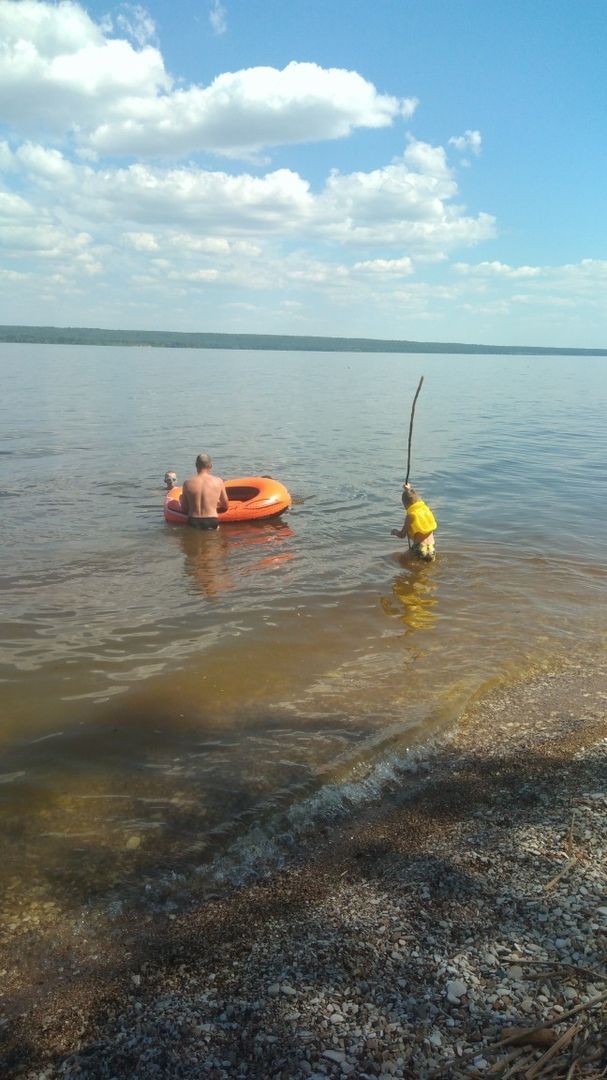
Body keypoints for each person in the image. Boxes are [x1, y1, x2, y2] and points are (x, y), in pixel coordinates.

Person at [180, 453, 229, 530]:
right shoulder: (219, 481)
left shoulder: (187, 483)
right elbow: (226, 505)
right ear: (211, 465)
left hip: (193, 520)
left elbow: (184, 509)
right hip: (212, 520)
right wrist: (215, 504)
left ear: (196, 465)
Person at [391, 482, 437, 561]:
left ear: (406, 505)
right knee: (425, 566)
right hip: (432, 548)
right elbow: (415, 499)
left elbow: (402, 535)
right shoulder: (425, 508)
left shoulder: (411, 515)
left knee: (401, 559)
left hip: (420, 548)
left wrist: (395, 532)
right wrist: (409, 489)